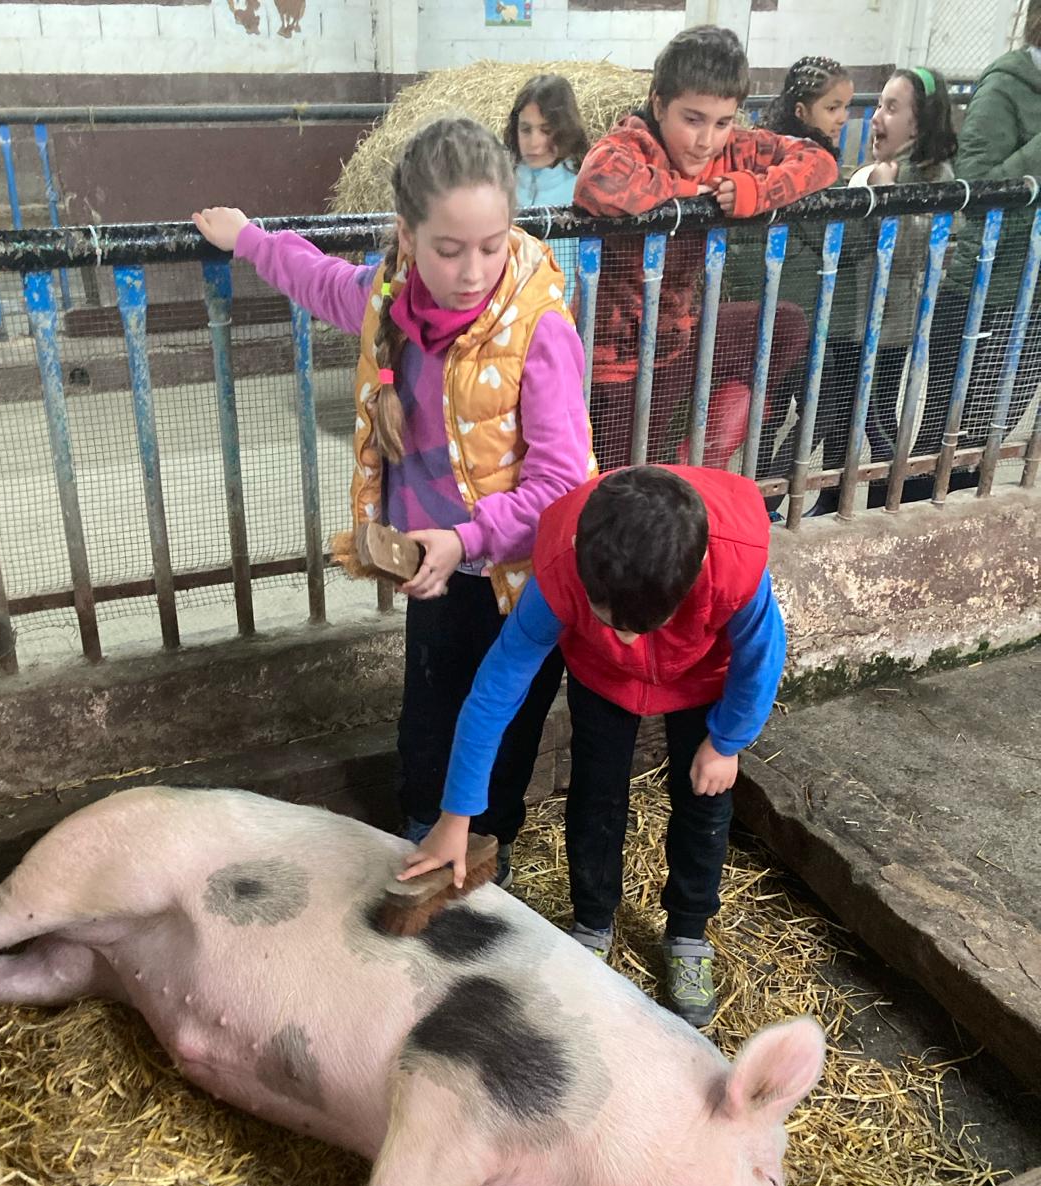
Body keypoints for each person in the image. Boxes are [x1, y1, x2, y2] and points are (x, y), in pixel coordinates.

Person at [193, 118, 595, 885]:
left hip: (522, 573)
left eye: (492, 245)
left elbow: (560, 484)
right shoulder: (391, 299)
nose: (473, 271)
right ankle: (418, 830)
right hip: (434, 559)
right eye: (449, 249)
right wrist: (248, 239)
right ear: (407, 237)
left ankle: (488, 846)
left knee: (506, 715)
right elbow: (320, 280)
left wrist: (467, 539)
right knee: (432, 704)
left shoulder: (537, 327)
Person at [399, 465, 786, 1029]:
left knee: (704, 801)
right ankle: (592, 923)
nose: (627, 637)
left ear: (696, 569)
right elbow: (495, 691)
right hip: (600, 676)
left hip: (702, 678)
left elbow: (761, 656)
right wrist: (456, 817)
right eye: (611, 619)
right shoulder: (562, 569)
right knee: (595, 790)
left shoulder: (734, 567)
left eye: (641, 625)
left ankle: (687, 932)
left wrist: (727, 741)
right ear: (582, 555)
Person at [573, 25, 837, 472]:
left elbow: (820, 160)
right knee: (620, 477)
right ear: (659, 104)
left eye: (722, 122)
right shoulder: (634, 142)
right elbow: (597, 180)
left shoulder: (731, 148)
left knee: (785, 325)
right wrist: (700, 195)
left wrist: (758, 190)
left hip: (680, 338)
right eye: (692, 119)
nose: (706, 141)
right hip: (615, 361)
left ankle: (701, 455)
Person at [902, 21, 1041, 502]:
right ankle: (903, 524)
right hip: (988, 291)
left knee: (990, 437)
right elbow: (976, 189)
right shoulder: (1005, 87)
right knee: (949, 440)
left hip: (1033, 297)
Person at [810, 66, 957, 516]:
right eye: (879, 105)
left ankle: (888, 498)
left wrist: (888, 196)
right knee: (841, 413)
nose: (876, 117)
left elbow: (914, 253)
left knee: (874, 414)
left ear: (919, 124)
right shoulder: (878, 169)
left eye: (891, 108)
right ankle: (831, 498)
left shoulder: (933, 177)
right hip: (850, 315)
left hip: (887, 323)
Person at [746, 57, 854, 511]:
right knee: (813, 408)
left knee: (781, 411)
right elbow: (845, 240)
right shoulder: (806, 167)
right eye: (832, 107)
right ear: (801, 111)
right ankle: (762, 501)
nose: (843, 117)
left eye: (846, 106)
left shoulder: (773, 155)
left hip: (788, 308)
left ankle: (760, 501)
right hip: (795, 311)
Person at [505, 73, 591, 304]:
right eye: (526, 129)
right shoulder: (502, 184)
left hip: (559, 312)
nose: (534, 142)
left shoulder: (582, 188)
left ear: (565, 131)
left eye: (546, 130)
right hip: (508, 311)